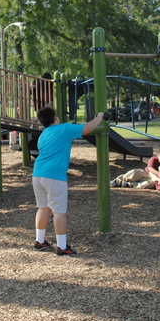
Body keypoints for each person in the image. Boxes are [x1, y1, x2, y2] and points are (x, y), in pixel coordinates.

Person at [32, 106, 105, 256]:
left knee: (43, 208)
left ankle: (39, 241)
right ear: (55, 117)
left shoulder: (43, 134)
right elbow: (88, 128)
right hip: (54, 175)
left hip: (38, 174)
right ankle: (62, 246)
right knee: (59, 212)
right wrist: (100, 117)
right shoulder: (64, 129)